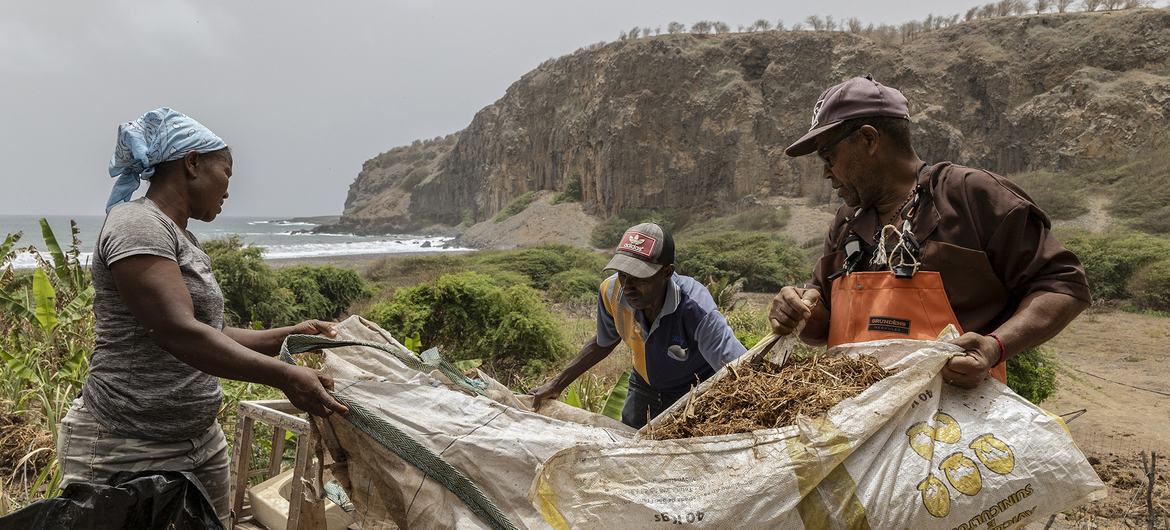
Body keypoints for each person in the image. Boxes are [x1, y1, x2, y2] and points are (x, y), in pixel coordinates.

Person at [56, 108, 348, 528]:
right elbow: (176, 332)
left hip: (199, 443)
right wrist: (284, 376)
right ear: (192, 162)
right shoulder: (137, 224)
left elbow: (212, 333)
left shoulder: (182, 237)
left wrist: (290, 336)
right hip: (127, 445)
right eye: (227, 172)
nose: (229, 188)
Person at [768, 76, 1091, 389]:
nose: (826, 172)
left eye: (829, 156)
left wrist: (994, 346)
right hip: (855, 422)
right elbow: (821, 323)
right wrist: (797, 314)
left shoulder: (971, 196)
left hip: (954, 427)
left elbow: (1063, 286)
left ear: (868, 139)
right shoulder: (846, 222)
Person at [530, 223, 747, 428]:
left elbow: (741, 371)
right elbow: (603, 342)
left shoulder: (696, 309)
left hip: (694, 390)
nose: (628, 287)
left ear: (667, 272)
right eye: (623, 275)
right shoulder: (611, 291)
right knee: (630, 444)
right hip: (644, 387)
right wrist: (557, 384)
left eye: (640, 277)